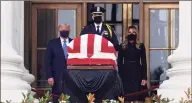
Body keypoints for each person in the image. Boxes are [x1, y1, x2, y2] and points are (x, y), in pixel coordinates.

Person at [118, 25, 148, 102]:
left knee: (137, 97)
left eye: (134, 32)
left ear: (136, 34)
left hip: (138, 72)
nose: (131, 34)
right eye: (130, 32)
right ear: (127, 34)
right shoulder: (122, 46)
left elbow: (144, 62)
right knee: (126, 96)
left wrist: (144, 77)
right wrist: (119, 76)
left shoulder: (140, 46)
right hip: (126, 73)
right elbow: (119, 62)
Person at [45, 24, 73, 103]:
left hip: (71, 77)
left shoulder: (73, 42)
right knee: (57, 99)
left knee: (70, 98)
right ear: (59, 31)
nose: (64, 32)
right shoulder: (52, 43)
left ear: (69, 31)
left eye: (66, 30)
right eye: (63, 30)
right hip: (56, 77)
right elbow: (48, 61)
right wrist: (49, 76)